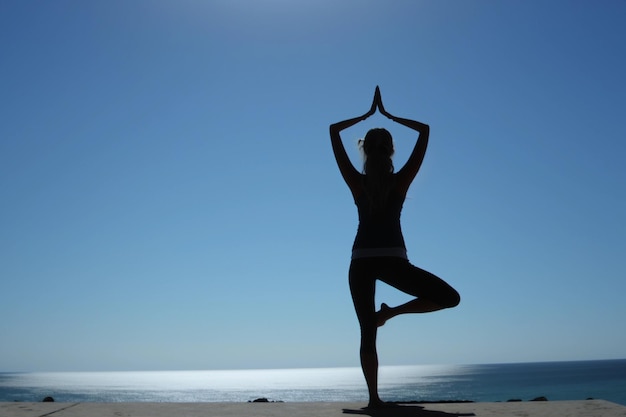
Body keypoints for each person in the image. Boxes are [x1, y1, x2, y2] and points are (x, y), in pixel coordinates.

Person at [330, 86, 460, 408]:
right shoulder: (400, 181)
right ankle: (392, 313)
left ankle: (374, 400)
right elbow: (425, 132)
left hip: (360, 261)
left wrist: (364, 115)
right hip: (392, 260)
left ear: (365, 149)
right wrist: (388, 115)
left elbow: (333, 132)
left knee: (366, 333)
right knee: (449, 298)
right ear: (390, 151)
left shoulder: (356, 182)